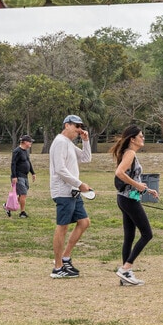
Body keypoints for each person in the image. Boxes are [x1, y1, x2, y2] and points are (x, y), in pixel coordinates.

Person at [111, 124, 158, 286]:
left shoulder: (130, 153)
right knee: (147, 234)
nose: (143, 138)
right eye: (141, 136)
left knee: (129, 237)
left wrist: (146, 188)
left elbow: (131, 176)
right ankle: (126, 268)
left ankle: (125, 276)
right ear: (133, 139)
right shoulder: (130, 153)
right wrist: (138, 186)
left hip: (125, 198)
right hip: (128, 199)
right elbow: (119, 172)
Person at [49, 114, 92, 278]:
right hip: (63, 191)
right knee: (63, 226)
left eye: (81, 126)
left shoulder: (68, 143)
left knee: (84, 222)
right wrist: (79, 184)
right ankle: (58, 268)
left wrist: (86, 141)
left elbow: (86, 158)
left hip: (73, 191)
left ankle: (65, 257)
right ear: (67, 125)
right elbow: (60, 169)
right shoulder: (60, 142)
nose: (79, 129)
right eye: (76, 126)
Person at [10, 135, 36, 217]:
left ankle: (8, 206)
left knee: (22, 195)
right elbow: (13, 164)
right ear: (24, 142)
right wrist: (14, 176)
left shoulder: (25, 151)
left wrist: (33, 173)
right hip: (18, 176)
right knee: (23, 194)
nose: (31, 143)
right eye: (29, 141)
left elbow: (29, 162)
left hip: (25, 176)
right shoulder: (17, 151)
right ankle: (22, 212)